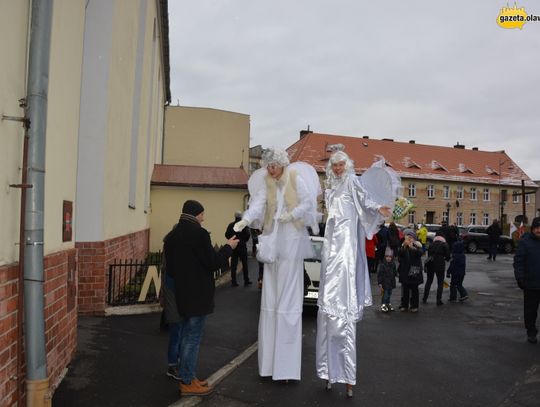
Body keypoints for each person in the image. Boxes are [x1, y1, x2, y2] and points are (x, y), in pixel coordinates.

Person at [233, 148, 320, 381]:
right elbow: (258, 204)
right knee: (270, 300)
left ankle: (286, 368)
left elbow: (308, 203)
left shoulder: (294, 178)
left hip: (291, 239)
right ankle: (269, 366)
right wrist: (246, 220)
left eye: (273, 166)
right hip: (273, 240)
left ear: (281, 164)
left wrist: (292, 215)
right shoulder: (266, 182)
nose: (270, 170)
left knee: (289, 298)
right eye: (268, 166)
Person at [316, 150, 396, 398]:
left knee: (345, 308)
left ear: (347, 166)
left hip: (347, 246)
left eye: (341, 164)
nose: (338, 168)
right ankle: (329, 373)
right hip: (332, 245)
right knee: (329, 311)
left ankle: (346, 376)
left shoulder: (352, 181)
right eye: (335, 165)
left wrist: (379, 207)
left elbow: (365, 200)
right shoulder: (330, 187)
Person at [164, 200, 239, 396]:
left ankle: (188, 376)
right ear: (197, 214)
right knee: (192, 338)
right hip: (197, 295)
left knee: (184, 337)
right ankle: (188, 382)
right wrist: (228, 247)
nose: (204, 218)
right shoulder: (199, 234)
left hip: (181, 293)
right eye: (203, 214)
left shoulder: (171, 236)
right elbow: (213, 263)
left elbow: (171, 269)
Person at [513, 217, 540, 344]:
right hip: (531, 283)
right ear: (533, 228)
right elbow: (519, 261)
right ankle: (531, 332)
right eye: (537, 228)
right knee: (530, 311)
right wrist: (519, 277)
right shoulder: (525, 242)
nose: (539, 230)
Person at [398, 229, 424, 312]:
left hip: (414, 270)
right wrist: (404, 247)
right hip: (405, 270)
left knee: (414, 289)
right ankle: (404, 305)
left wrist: (412, 247)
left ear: (414, 238)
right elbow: (399, 256)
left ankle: (414, 306)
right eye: (407, 237)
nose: (409, 239)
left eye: (411, 237)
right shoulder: (403, 246)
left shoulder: (418, 245)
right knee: (405, 289)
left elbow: (420, 254)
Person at [225, 211, 252, 287]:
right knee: (245, 264)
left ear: (235, 216)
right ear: (241, 217)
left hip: (234, 247)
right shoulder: (244, 225)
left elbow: (226, 235)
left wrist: (232, 239)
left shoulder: (231, 225)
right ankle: (246, 280)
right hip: (242, 246)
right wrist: (243, 241)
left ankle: (234, 281)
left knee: (234, 265)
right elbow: (248, 235)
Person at [422, 234, 450, 306]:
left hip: (431, 264)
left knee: (429, 281)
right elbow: (448, 256)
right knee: (440, 283)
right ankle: (438, 300)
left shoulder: (431, 244)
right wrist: (445, 258)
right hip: (440, 264)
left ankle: (424, 298)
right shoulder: (444, 244)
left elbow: (428, 255)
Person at [377, 247, 397, 312]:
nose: (388, 258)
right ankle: (383, 304)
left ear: (392, 258)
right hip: (384, 283)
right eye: (387, 257)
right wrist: (380, 283)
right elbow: (380, 275)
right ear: (385, 257)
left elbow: (394, 273)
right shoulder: (382, 265)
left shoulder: (393, 264)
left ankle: (388, 303)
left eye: (390, 257)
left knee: (389, 294)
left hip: (390, 282)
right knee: (385, 294)